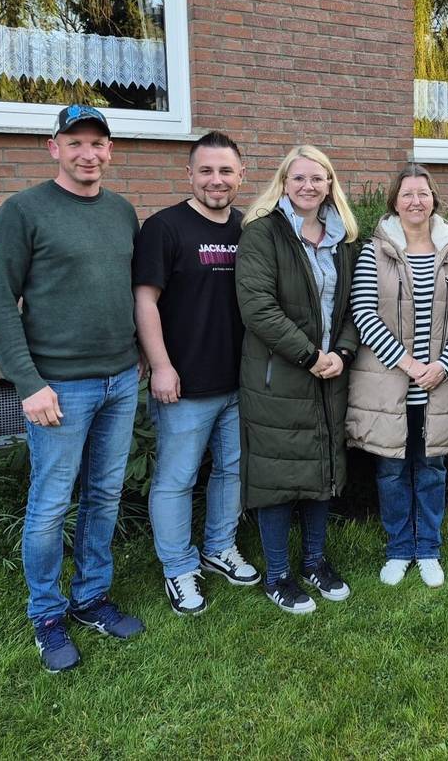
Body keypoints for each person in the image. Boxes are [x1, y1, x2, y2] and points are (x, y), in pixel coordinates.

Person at [0, 104, 144, 673]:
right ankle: (47, 615)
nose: (87, 154)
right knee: (50, 506)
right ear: (54, 148)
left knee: (104, 495)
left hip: (120, 381)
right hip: (58, 389)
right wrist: (28, 383)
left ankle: (91, 597)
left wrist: (141, 359)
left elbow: (129, 292)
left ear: (110, 151)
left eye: (97, 143)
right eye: (75, 143)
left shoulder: (122, 212)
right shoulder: (23, 211)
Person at [133, 131, 260, 617]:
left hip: (239, 381)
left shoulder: (248, 228)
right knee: (177, 479)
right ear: (189, 174)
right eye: (206, 170)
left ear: (241, 175)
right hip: (184, 385)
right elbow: (145, 301)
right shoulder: (164, 227)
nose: (216, 180)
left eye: (226, 171)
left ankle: (219, 547)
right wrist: (161, 365)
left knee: (232, 470)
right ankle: (178, 566)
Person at [235, 145, 359, 615]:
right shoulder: (262, 233)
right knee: (278, 474)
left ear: (330, 185)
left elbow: (354, 305)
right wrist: (310, 355)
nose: (308, 186)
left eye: (318, 178)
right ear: (284, 183)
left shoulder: (343, 237)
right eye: (299, 177)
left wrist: (341, 353)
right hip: (279, 374)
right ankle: (277, 574)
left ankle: (314, 562)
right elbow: (257, 308)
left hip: (329, 372)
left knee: (322, 465)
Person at [347, 164, 448, 588]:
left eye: (423, 193)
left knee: (432, 471)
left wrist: (442, 366)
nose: (416, 201)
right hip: (391, 387)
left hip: (439, 386)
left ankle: (429, 550)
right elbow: (363, 314)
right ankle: (399, 549)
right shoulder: (375, 253)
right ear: (394, 202)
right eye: (407, 194)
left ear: (434, 200)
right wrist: (410, 365)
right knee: (391, 472)